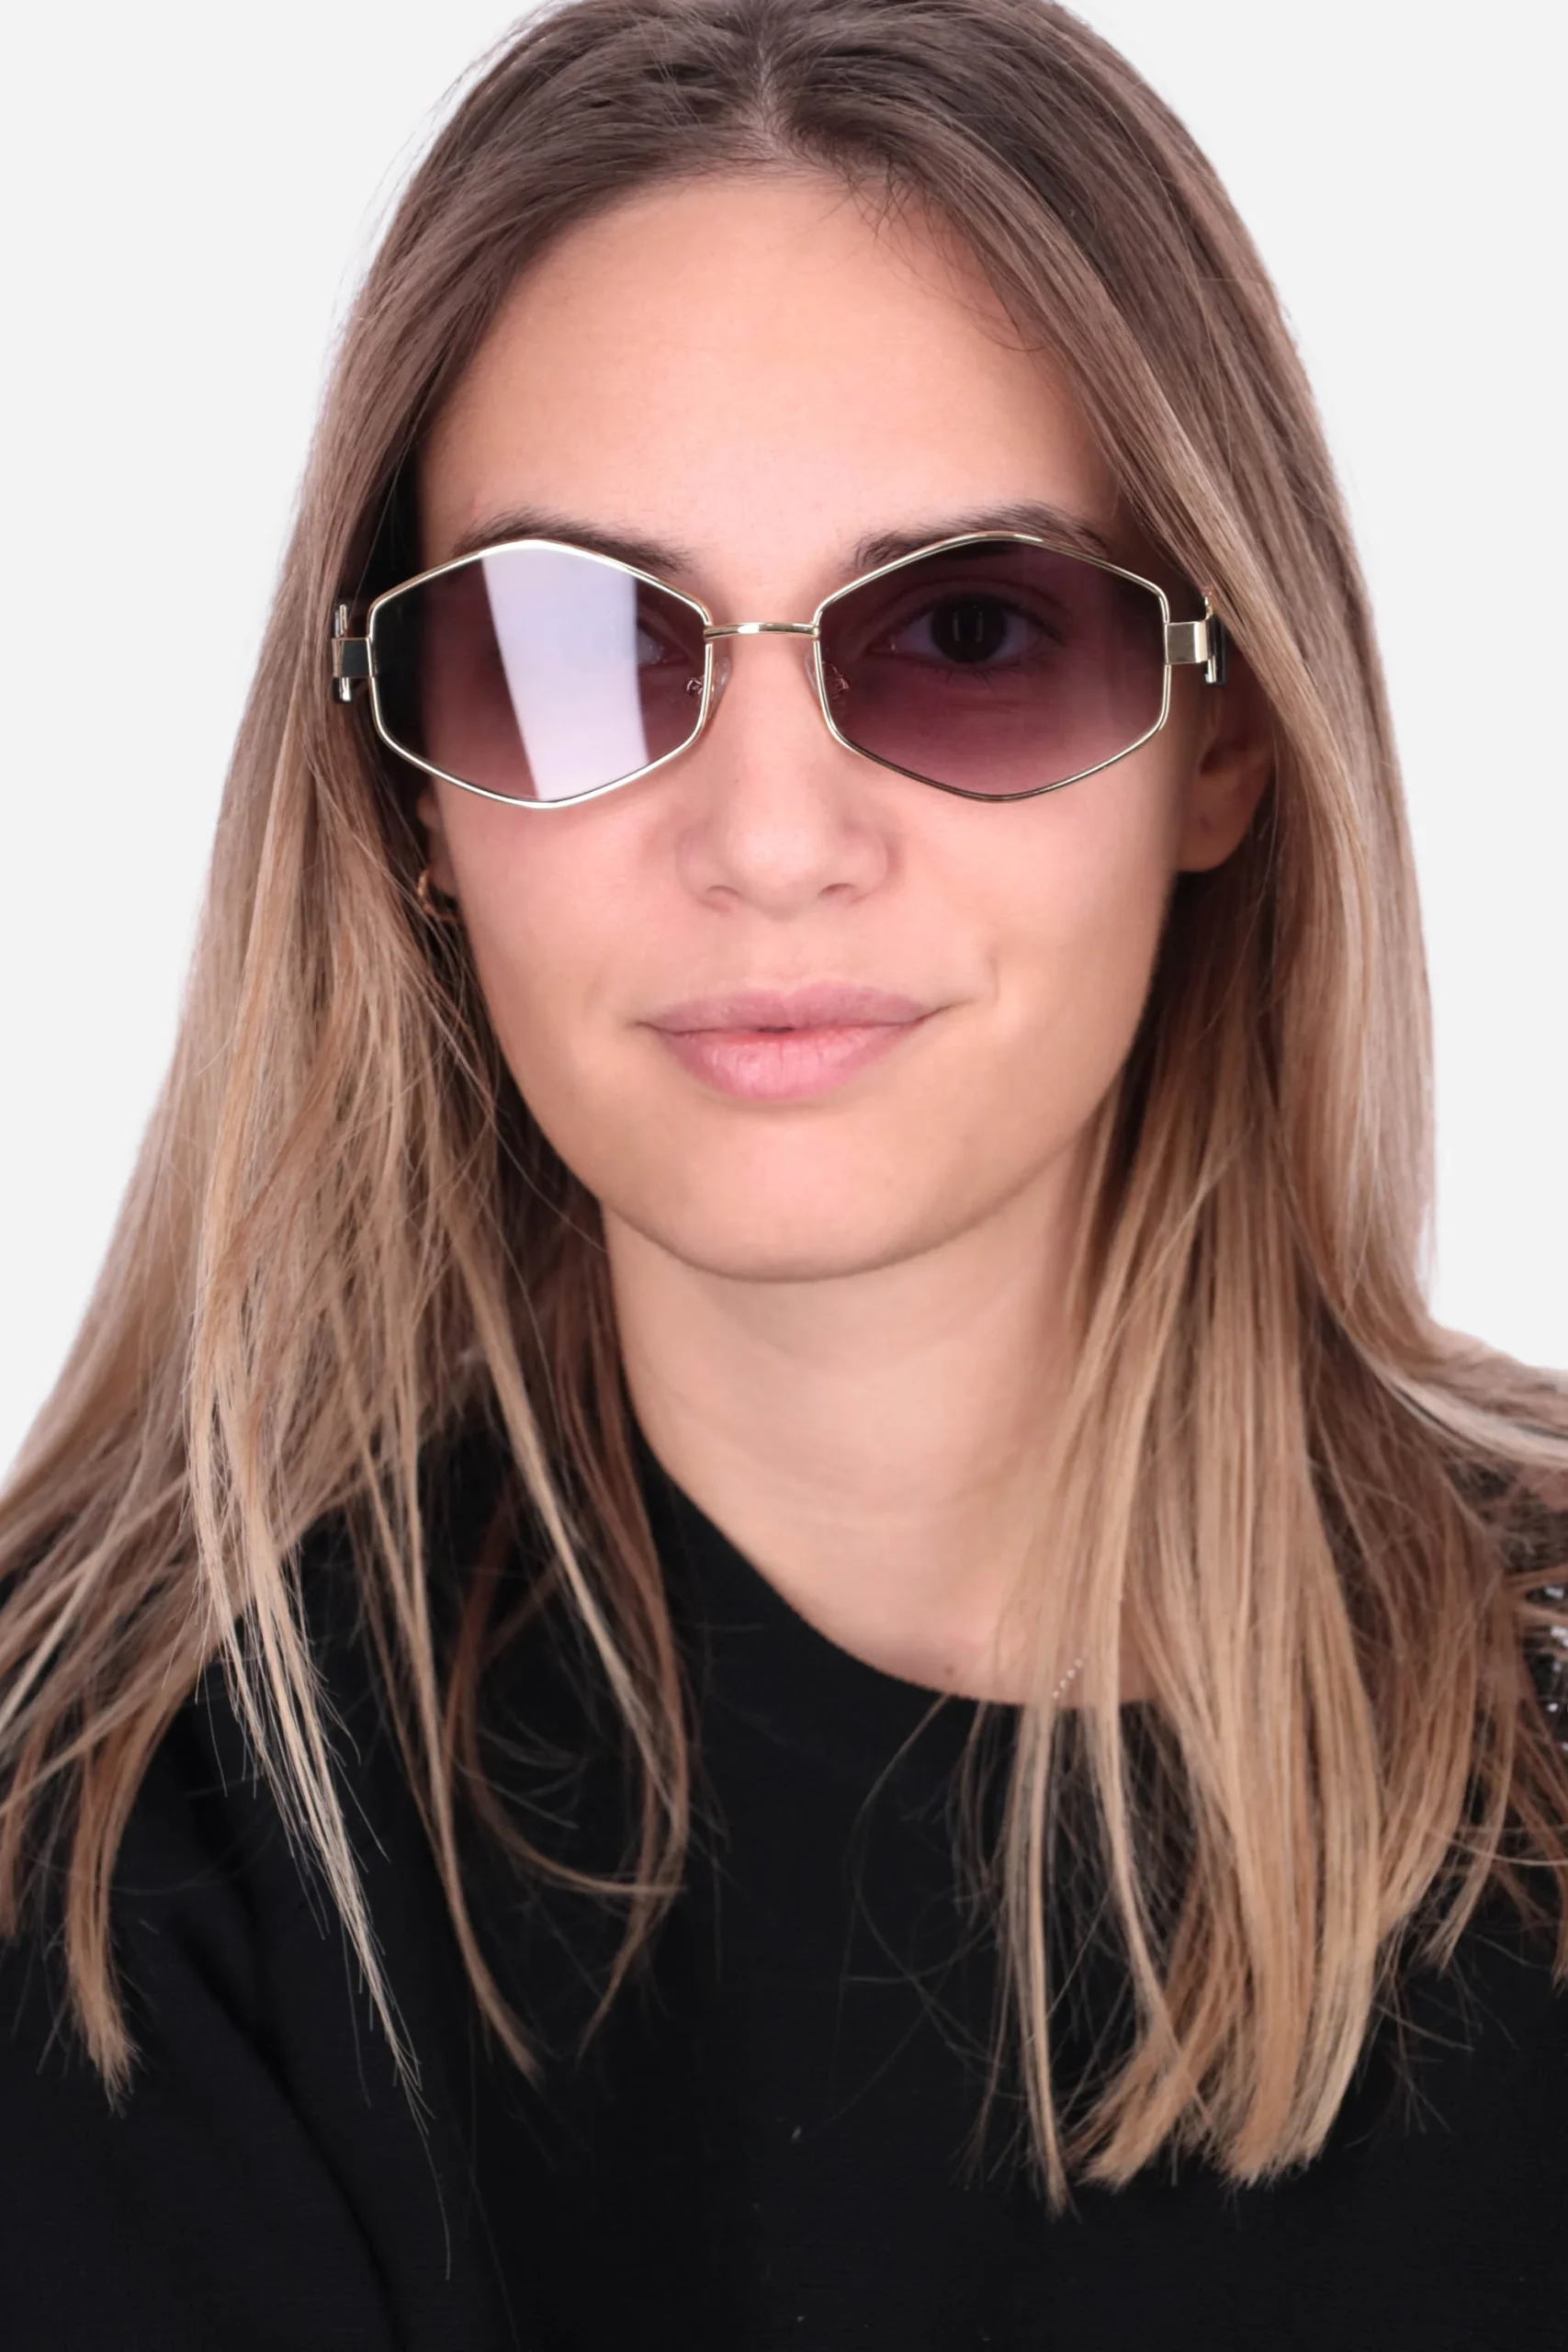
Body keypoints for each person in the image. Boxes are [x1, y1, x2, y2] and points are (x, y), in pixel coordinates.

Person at [2, 0, 1565, 2344]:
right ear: (406, 793)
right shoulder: (123, 1858)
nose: (765, 839)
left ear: (1221, 735)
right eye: (567, 648)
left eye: (968, 633)